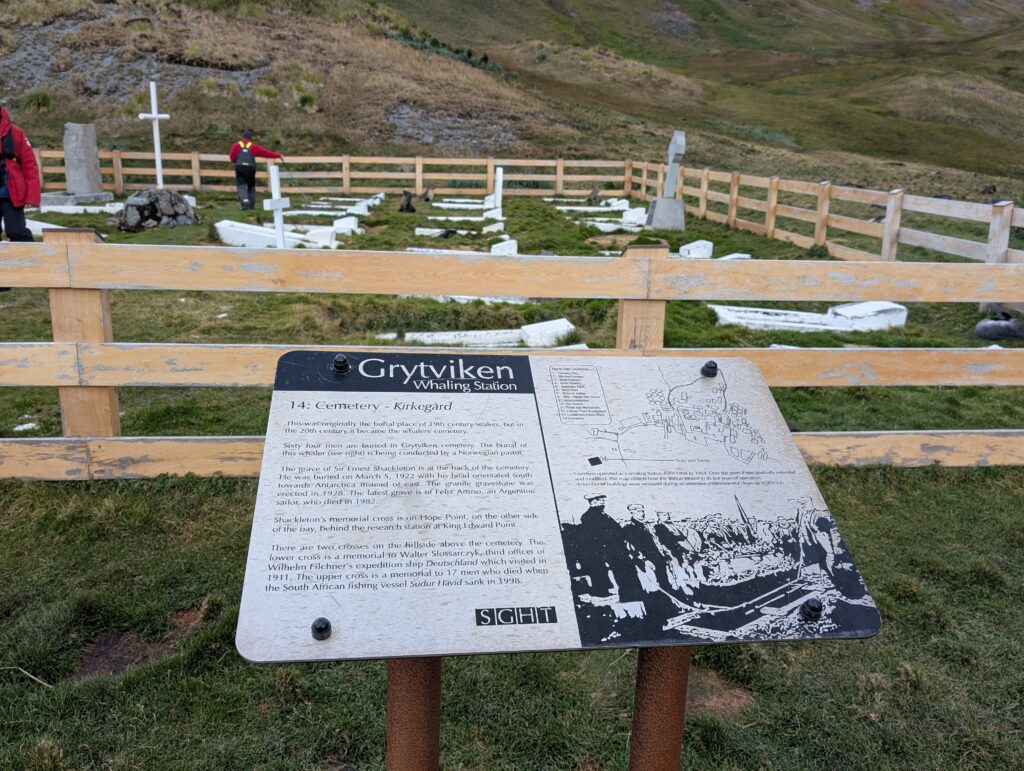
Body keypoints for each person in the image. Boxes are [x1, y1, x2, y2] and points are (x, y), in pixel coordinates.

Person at [0, 103, 41, 291]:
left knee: (16, 230)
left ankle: (32, 267)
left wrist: (32, 196)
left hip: (11, 193)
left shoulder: (15, 132)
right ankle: (4, 279)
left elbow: (29, 165)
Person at [228, 130, 282, 211]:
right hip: (250, 168)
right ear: (250, 138)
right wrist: (278, 155)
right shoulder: (253, 146)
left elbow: (232, 157)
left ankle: (245, 204)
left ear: (243, 137)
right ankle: (252, 205)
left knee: (241, 186)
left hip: (239, 167)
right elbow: (265, 153)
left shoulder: (237, 145)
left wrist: (238, 162)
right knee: (251, 186)